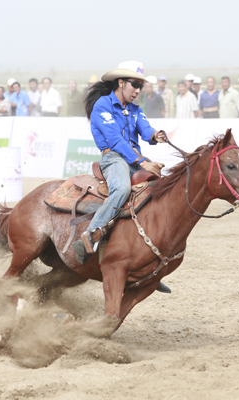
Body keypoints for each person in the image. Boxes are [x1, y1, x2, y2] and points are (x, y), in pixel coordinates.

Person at [74, 60, 167, 263]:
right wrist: (143, 162)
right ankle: (89, 236)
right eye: (134, 84)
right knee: (123, 188)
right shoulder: (102, 106)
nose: (137, 90)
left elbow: (145, 128)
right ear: (121, 82)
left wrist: (155, 135)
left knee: (162, 190)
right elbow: (115, 140)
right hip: (114, 158)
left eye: (140, 86)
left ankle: (148, 255)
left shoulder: (135, 109)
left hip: (134, 159)